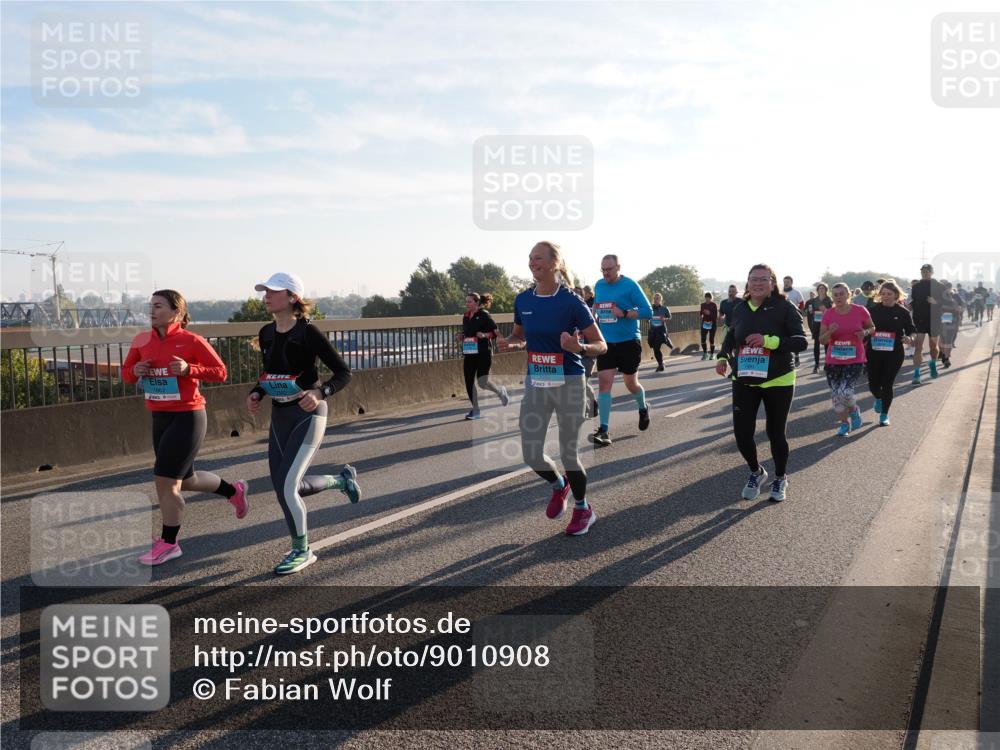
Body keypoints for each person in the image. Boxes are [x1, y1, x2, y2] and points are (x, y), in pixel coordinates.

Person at [123, 290, 249, 566]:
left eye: (158, 306)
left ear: (176, 312)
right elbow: (126, 373)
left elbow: (220, 372)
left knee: (165, 482)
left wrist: (188, 369)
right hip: (159, 416)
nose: (152, 311)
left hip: (188, 416)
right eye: (150, 306)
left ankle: (169, 543)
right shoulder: (142, 340)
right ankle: (233, 491)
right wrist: (137, 370)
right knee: (186, 480)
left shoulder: (192, 340)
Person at [247, 272, 359, 575]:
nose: (266, 296)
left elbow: (343, 372)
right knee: (285, 487)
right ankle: (341, 481)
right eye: (265, 291)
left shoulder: (308, 332)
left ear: (292, 297)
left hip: (309, 415)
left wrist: (319, 391)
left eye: (273, 291)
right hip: (280, 416)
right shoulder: (266, 332)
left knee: (287, 488)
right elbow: (270, 373)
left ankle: (302, 550)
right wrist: (257, 392)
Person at [498, 241, 607, 535]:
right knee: (531, 453)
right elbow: (520, 336)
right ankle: (560, 485)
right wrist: (510, 343)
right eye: (530, 257)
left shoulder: (572, 301)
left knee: (569, 453)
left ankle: (584, 508)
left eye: (539, 258)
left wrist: (579, 347)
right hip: (536, 381)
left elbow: (601, 345)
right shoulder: (523, 300)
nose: (533, 262)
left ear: (554, 263)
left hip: (570, 381)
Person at [716, 265, 807, 502]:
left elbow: (800, 342)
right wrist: (723, 356)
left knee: (775, 432)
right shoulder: (740, 308)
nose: (757, 283)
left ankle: (780, 478)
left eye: (763, 279)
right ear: (747, 283)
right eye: (753, 279)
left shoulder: (784, 307)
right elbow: (730, 335)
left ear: (772, 282)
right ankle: (757, 471)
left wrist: (768, 341)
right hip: (745, 377)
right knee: (742, 434)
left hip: (778, 378)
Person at [590, 254, 654, 447]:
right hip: (607, 343)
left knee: (631, 383)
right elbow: (598, 306)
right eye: (603, 269)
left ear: (618, 267)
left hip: (628, 342)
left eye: (609, 269)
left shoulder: (630, 285)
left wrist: (625, 313)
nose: (605, 273)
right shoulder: (599, 285)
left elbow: (648, 312)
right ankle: (604, 430)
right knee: (604, 385)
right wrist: (595, 313)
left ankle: (643, 407)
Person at [819, 282, 875, 437]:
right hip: (833, 360)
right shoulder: (829, 314)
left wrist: (865, 332)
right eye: (835, 294)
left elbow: (872, 327)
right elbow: (822, 341)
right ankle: (844, 424)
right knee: (836, 395)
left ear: (848, 295)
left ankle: (854, 410)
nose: (838, 297)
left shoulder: (860, 310)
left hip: (854, 358)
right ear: (832, 296)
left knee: (845, 392)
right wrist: (830, 331)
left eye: (841, 294)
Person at [866, 281, 915, 426]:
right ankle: (879, 398)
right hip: (874, 352)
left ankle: (884, 415)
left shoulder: (902, 312)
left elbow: (912, 330)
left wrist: (909, 338)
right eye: (883, 294)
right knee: (873, 385)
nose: (886, 296)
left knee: (887, 384)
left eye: (889, 294)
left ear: (896, 295)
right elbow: (864, 326)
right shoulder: (872, 311)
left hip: (894, 353)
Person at [458, 292, 509, 420]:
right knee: (469, 381)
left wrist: (485, 335)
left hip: (483, 352)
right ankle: (475, 410)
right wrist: (461, 336)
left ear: (476, 303)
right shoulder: (465, 316)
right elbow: (467, 331)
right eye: (466, 301)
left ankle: (500, 392)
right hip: (470, 353)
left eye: (469, 301)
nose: (467, 304)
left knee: (482, 382)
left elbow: (495, 332)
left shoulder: (484, 315)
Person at [909, 263, 943, 386]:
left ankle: (933, 364)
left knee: (933, 346)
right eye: (923, 271)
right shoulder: (916, 286)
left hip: (934, 320)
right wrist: (910, 305)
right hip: (919, 319)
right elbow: (915, 300)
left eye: (927, 271)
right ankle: (916, 374)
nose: (925, 273)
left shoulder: (939, 286)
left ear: (932, 272)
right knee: (918, 346)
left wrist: (935, 302)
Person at [803, 283, 834, 373]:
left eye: (823, 288)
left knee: (826, 344)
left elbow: (833, 312)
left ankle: (827, 363)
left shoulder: (829, 300)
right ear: (817, 290)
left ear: (826, 290)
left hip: (826, 324)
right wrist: (811, 311)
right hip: (816, 324)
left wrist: (826, 311)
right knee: (816, 344)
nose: (821, 290)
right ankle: (816, 365)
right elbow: (809, 312)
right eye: (820, 288)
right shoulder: (814, 300)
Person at [782, 277, 805, 366]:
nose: (786, 284)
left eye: (787, 282)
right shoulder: (780, 292)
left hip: (793, 318)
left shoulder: (796, 293)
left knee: (795, 337)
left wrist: (799, 312)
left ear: (791, 283)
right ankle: (787, 355)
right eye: (784, 282)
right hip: (783, 318)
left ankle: (796, 354)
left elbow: (802, 304)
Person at [937, 282, 961, 369]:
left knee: (947, 340)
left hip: (951, 319)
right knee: (946, 340)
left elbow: (962, 305)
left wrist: (959, 309)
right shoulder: (939, 296)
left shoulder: (955, 295)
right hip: (944, 319)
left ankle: (945, 356)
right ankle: (945, 356)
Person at [648, 292, 673, 372]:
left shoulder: (664, 308)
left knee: (656, 346)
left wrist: (665, 319)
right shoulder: (650, 308)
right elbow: (647, 317)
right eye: (655, 298)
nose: (656, 300)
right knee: (655, 349)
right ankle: (660, 364)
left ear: (660, 300)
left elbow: (670, 317)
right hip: (653, 331)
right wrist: (648, 319)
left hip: (661, 330)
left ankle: (661, 364)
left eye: (658, 298)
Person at [699, 292, 719, 360]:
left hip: (712, 324)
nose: (707, 299)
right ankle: (705, 353)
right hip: (705, 323)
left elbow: (716, 316)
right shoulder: (702, 305)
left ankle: (712, 354)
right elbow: (701, 313)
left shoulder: (714, 305)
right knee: (703, 339)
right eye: (706, 297)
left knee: (711, 339)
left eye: (709, 298)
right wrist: (701, 315)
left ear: (711, 298)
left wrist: (709, 313)